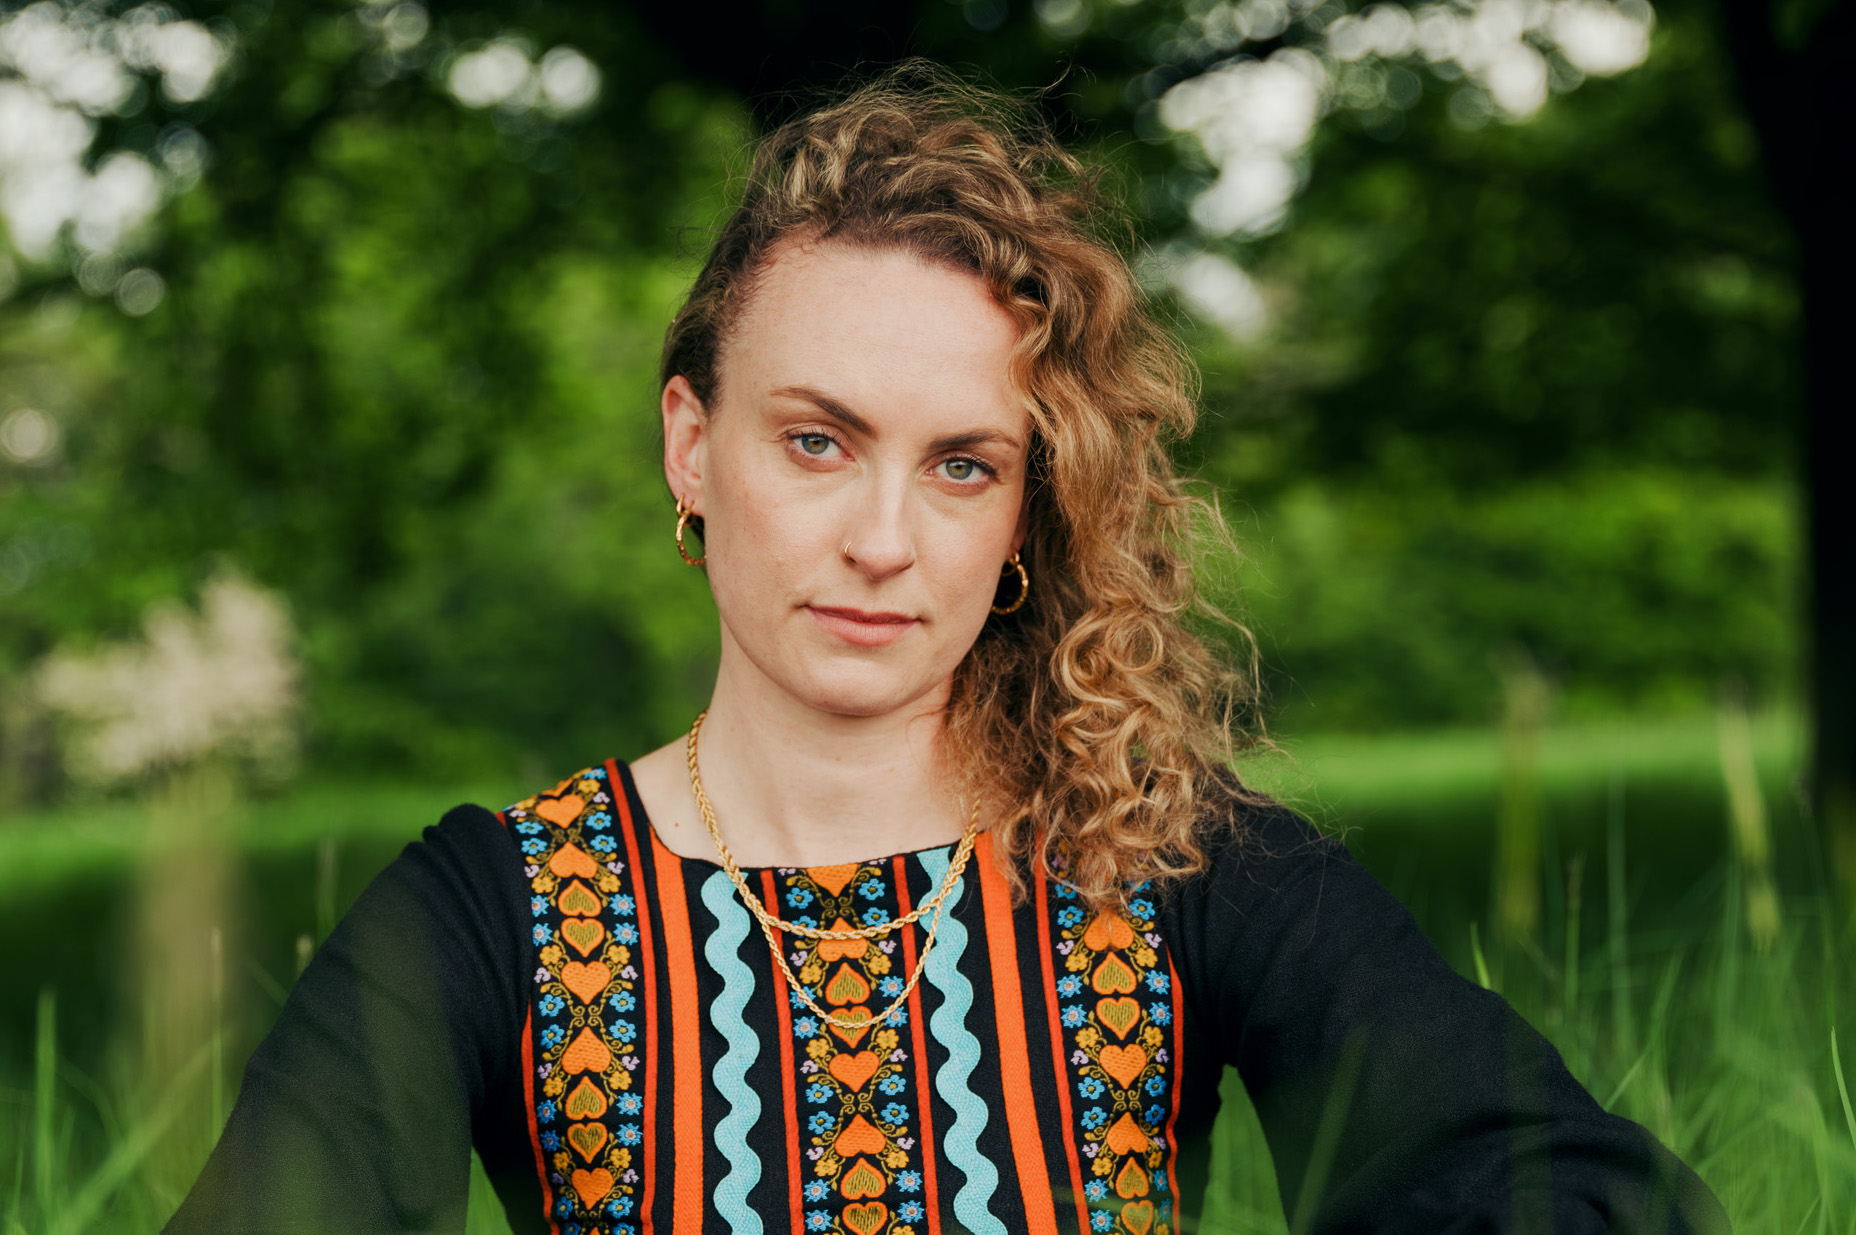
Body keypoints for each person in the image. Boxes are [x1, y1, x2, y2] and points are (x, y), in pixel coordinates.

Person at [165, 65, 1725, 1235]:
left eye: (963, 465)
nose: (883, 538)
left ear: (1026, 509)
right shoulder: (493, 910)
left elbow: (1571, 1190)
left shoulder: (1168, 865)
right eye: (818, 441)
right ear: (692, 446)